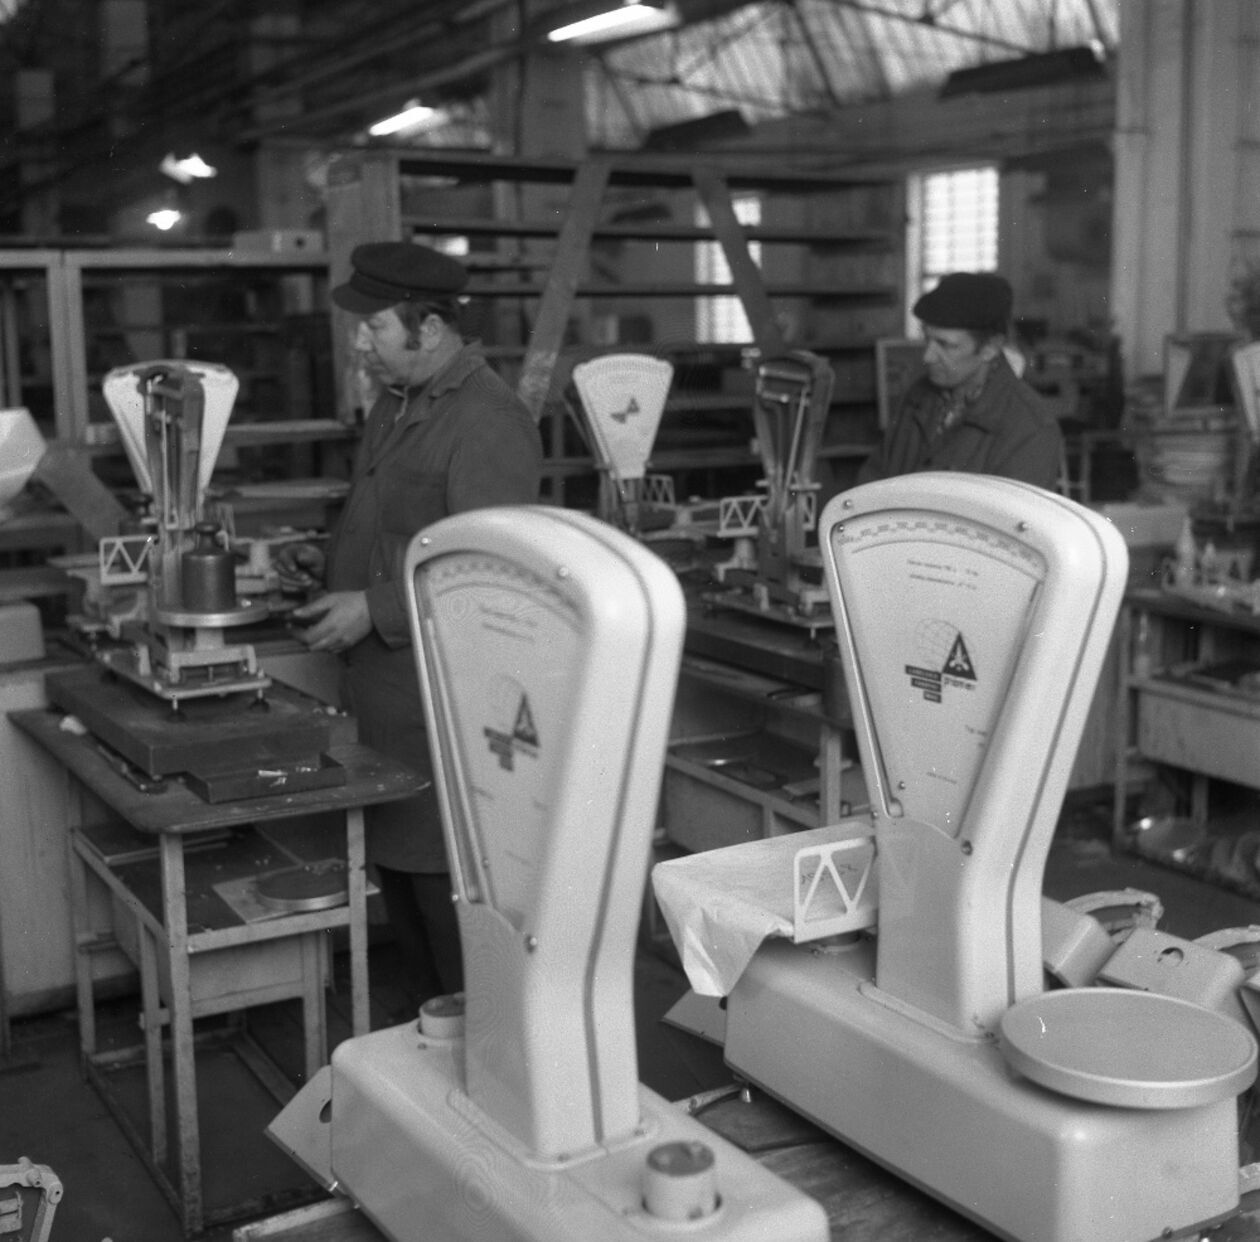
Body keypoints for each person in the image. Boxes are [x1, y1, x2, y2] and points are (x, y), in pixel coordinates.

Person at [276, 240, 543, 1012]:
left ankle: (482, 1045)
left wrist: (372, 607)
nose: (360, 343)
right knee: (403, 887)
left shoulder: (489, 421)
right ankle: (432, 1042)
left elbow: (491, 574)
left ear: (429, 330)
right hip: (387, 703)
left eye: (375, 327)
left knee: (444, 892)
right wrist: (329, 561)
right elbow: (398, 530)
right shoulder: (396, 406)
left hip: (442, 711)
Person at [859, 271, 1063, 490]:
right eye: (927, 339)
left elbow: (1012, 511)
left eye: (945, 345)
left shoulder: (1031, 428)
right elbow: (871, 484)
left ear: (990, 348)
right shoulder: (916, 397)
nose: (928, 356)